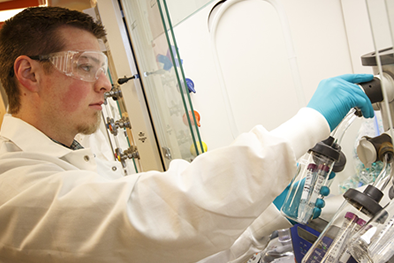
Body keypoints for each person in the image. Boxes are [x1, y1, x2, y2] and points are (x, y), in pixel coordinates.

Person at [0, 6, 374, 263]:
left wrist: (270, 218)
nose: (106, 84)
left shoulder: (77, 158)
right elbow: (157, 209)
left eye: (103, 67)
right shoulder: (13, 186)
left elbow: (164, 248)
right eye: (86, 66)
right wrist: (309, 122)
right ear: (29, 74)